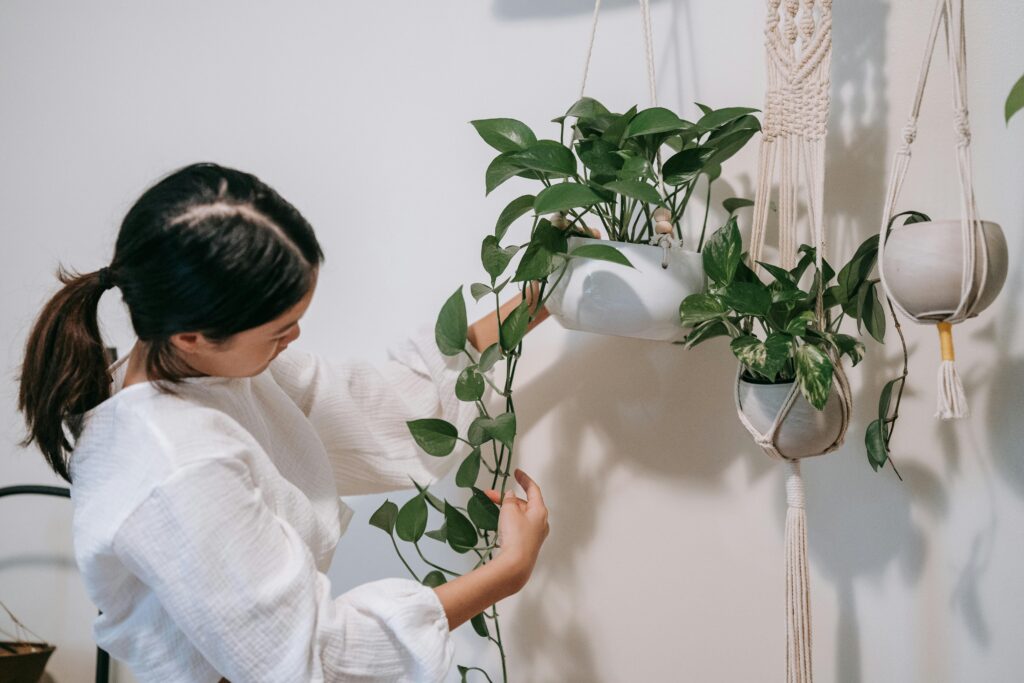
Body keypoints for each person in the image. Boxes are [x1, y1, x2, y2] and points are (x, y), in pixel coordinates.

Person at [17, 162, 550, 682]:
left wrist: (538, 296)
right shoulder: (178, 467)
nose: (292, 340)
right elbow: (315, 659)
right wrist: (509, 569)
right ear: (192, 336)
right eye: (278, 330)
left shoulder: (212, 373)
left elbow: (392, 405)